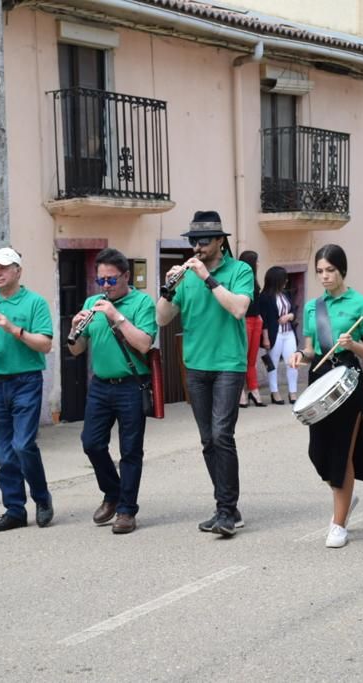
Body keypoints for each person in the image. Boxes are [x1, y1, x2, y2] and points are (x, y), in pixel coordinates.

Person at [156, 210, 253, 537]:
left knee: (222, 435)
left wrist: (208, 279)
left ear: (220, 241)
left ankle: (226, 510)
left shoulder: (239, 270)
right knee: (208, 439)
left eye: (203, 240)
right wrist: (168, 289)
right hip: (195, 365)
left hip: (228, 363)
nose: (197, 246)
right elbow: (162, 319)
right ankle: (227, 507)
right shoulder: (186, 276)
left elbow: (239, 308)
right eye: (193, 240)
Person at [287, 245, 363, 548]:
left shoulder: (361, 304)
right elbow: (312, 348)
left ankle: (338, 524)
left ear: (342, 270)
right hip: (319, 380)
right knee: (318, 453)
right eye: (320, 272)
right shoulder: (314, 307)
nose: (325, 277)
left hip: (349, 381)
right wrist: (301, 354)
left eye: (330, 271)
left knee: (342, 453)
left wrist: (353, 345)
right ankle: (346, 496)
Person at [67, 248, 157, 534]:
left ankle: (127, 511)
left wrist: (116, 316)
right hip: (101, 385)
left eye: (111, 280)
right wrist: (74, 330)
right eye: (101, 281)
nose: (105, 286)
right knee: (91, 443)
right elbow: (78, 350)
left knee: (130, 450)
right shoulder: (93, 302)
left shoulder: (142, 302)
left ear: (126, 276)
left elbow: (144, 344)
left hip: (131, 385)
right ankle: (113, 492)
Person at [0, 247, 55, 532]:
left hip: (25, 382)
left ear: (18, 271)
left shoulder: (35, 303)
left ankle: (42, 499)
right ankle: (14, 509)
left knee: (23, 445)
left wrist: (12, 328)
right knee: (4, 451)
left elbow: (45, 344)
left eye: (3, 268)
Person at [259, 266, 300, 404]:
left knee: (292, 363)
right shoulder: (264, 297)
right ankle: (274, 392)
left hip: (289, 333)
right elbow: (263, 320)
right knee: (273, 364)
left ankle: (293, 393)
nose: (287, 281)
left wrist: (290, 315)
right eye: (284, 278)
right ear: (276, 280)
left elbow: (293, 310)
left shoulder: (285, 294)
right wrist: (265, 338)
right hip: (273, 335)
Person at [237, 250, 266, 408]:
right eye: (257, 261)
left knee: (252, 359)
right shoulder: (241, 279)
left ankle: (253, 390)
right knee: (243, 357)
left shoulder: (254, 280)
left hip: (256, 320)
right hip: (245, 320)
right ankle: (241, 391)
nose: (259, 263)